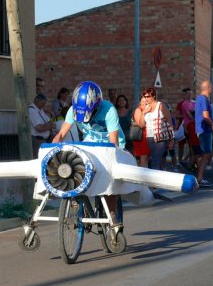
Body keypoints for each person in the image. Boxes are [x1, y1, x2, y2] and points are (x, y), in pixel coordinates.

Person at [52, 81, 125, 223]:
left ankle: (112, 214)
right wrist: (53, 154)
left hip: (109, 144)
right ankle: (79, 200)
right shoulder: (74, 109)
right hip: (90, 143)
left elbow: (113, 142)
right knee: (74, 167)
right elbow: (60, 135)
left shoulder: (109, 110)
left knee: (109, 179)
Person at [134, 87, 175, 171]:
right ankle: (158, 179)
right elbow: (141, 125)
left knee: (155, 162)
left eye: (148, 96)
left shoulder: (161, 106)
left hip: (160, 138)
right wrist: (144, 112)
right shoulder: (146, 107)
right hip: (149, 138)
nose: (146, 99)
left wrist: (171, 140)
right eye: (145, 97)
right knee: (154, 161)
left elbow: (170, 123)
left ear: (153, 96)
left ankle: (153, 182)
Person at [194, 80, 213, 187]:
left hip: (201, 130)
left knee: (203, 154)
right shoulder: (203, 99)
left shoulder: (199, 99)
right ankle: (199, 178)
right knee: (206, 154)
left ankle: (199, 177)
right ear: (208, 88)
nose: (211, 89)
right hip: (204, 130)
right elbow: (205, 116)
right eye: (211, 87)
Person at [132, 95, 150, 168]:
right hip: (141, 138)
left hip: (148, 137)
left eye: (146, 101)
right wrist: (144, 112)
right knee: (143, 159)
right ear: (140, 102)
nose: (144, 102)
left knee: (146, 158)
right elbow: (140, 125)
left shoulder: (148, 110)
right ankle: (144, 176)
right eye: (143, 101)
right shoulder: (138, 110)